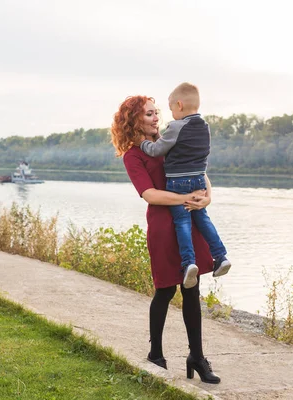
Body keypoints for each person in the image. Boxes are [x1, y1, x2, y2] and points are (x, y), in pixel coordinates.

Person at [111, 95, 221, 384]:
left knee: (192, 290)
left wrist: (206, 197)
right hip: (163, 224)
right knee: (164, 290)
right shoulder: (134, 155)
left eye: (156, 112)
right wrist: (186, 197)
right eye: (148, 114)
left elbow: (200, 171)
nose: (156, 118)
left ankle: (197, 358)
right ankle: (156, 355)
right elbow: (150, 194)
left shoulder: (174, 137)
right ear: (134, 120)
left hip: (189, 218)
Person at [140, 83, 231, 289]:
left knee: (182, 222)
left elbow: (157, 150)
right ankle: (221, 255)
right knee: (202, 219)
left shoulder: (176, 127)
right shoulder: (205, 127)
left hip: (178, 182)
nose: (170, 114)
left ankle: (189, 263)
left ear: (179, 105)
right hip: (199, 180)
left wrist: (143, 143)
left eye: (171, 109)